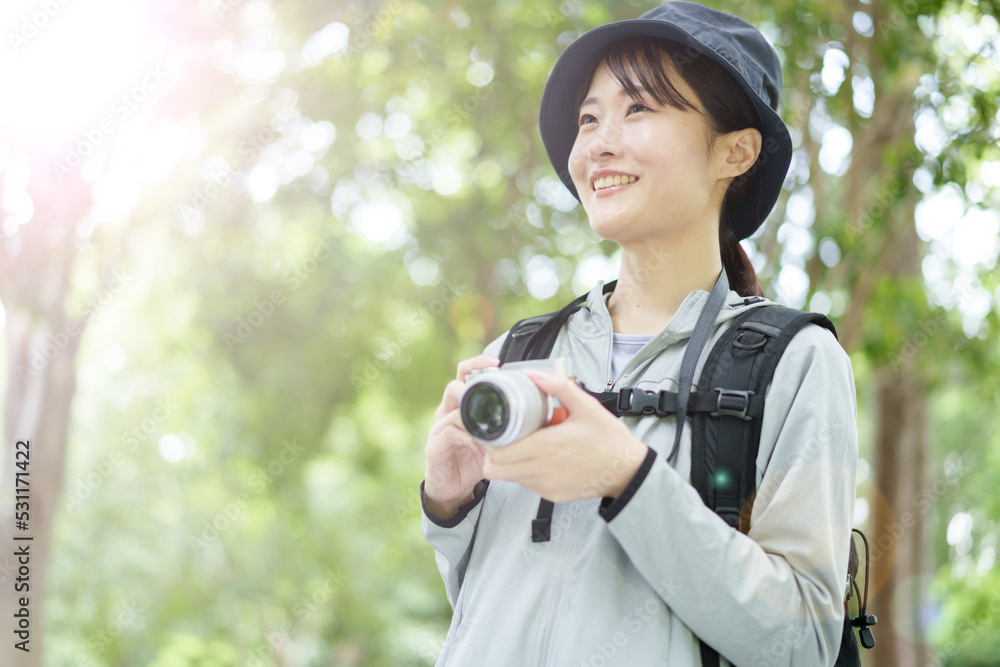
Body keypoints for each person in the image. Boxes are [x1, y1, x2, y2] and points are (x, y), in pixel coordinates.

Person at [420, 2, 858, 665]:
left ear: (734, 150)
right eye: (588, 117)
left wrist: (627, 477)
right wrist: (450, 504)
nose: (598, 142)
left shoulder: (792, 362)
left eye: (639, 109)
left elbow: (803, 639)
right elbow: (487, 605)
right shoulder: (522, 352)